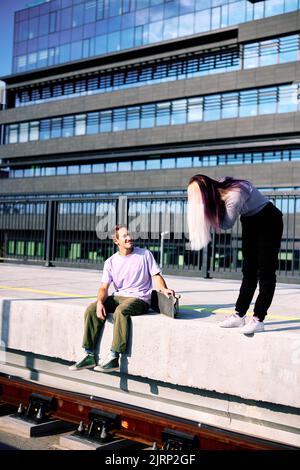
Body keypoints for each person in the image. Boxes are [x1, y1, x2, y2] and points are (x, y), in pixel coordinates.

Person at [69, 225, 175, 372]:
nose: (129, 238)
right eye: (124, 236)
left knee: (121, 311)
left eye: (129, 235)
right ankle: (89, 354)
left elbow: (156, 275)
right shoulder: (110, 262)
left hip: (140, 298)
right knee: (92, 309)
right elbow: (103, 288)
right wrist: (100, 302)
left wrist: (163, 289)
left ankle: (114, 356)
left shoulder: (145, 254)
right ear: (116, 240)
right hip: (119, 296)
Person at [187, 175, 283, 335]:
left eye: (195, 195)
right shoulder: (221, 186)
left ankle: (258, 319)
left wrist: (206, 212)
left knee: (266, 271)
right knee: (249, 271)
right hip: (250, 221)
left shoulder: (233, 195)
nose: (193, 199)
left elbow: (226, 224)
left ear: (205, 191)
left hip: (269, 219)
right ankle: (239, 315)